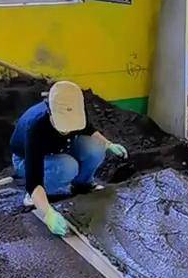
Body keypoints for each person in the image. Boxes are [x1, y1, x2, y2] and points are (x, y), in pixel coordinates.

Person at [10, 80, 128, 237]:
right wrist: (48, 214)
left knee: (96, 148)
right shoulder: (36, 127)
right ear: (51, 112)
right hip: (26, 160)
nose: (67, 130)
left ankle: (82, 184)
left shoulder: (74, 109)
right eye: (63, 127)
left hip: (60, 147)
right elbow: (34, 178)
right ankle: (37, 196)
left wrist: (108, 144)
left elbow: (88, 129)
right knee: (68, 166)